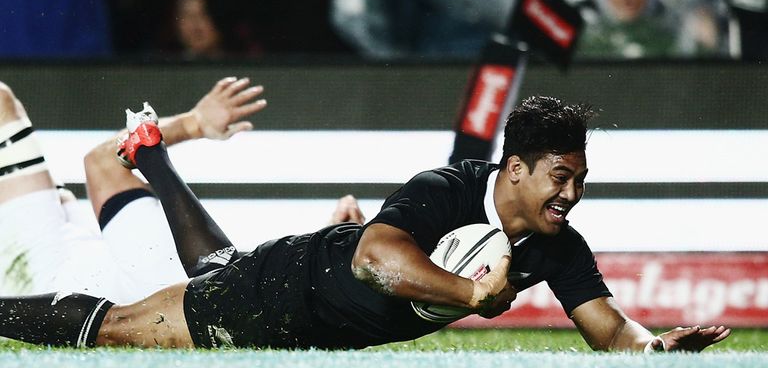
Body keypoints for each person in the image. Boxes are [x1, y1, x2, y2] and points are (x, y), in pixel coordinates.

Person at [0, 94, 731, 351]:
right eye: (561, 177)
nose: (571, 194)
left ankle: (154, 162)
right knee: (127, 328)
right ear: (516, 170)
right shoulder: (448, 189)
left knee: (211, 267)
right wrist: (469, 293)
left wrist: (654, 351)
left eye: (581, 181)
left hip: (316, 309)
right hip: (297, 287)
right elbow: (374, 258)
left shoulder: (557, 246)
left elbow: (608, 327)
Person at [0, 76, 364, 302]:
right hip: (79, 260)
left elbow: (103, 162)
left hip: (37, 268)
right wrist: (327, 239)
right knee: (60, 196)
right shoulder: (230, 290)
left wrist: (194, 124)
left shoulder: (167, 263)